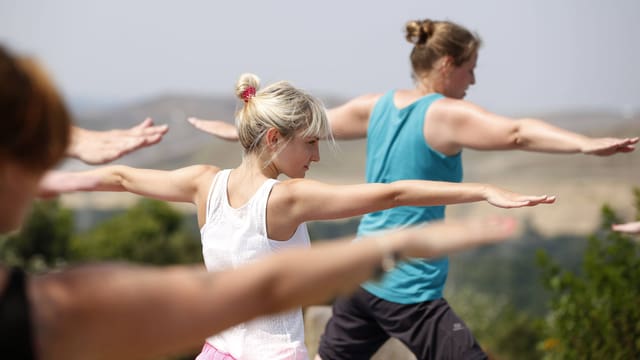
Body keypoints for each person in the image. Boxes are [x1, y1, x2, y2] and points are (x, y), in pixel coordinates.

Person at [0, 44, 525, 360]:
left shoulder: (203, 182)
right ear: (275, 139)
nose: (317, 155)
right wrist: (477, 191)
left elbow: (118, 176)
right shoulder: (286, 199)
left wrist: (61, 178)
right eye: (311, 141)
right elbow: (391, 193)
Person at [188, 19, 638, 360]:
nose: (473, 82)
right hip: (406, 286)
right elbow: (517, 133)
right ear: (447, 66)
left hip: (363, 277)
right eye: (470, 70)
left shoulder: (374, 106)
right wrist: (584, 144)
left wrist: (238, 131)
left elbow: (291, 130)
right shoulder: (444, 114)